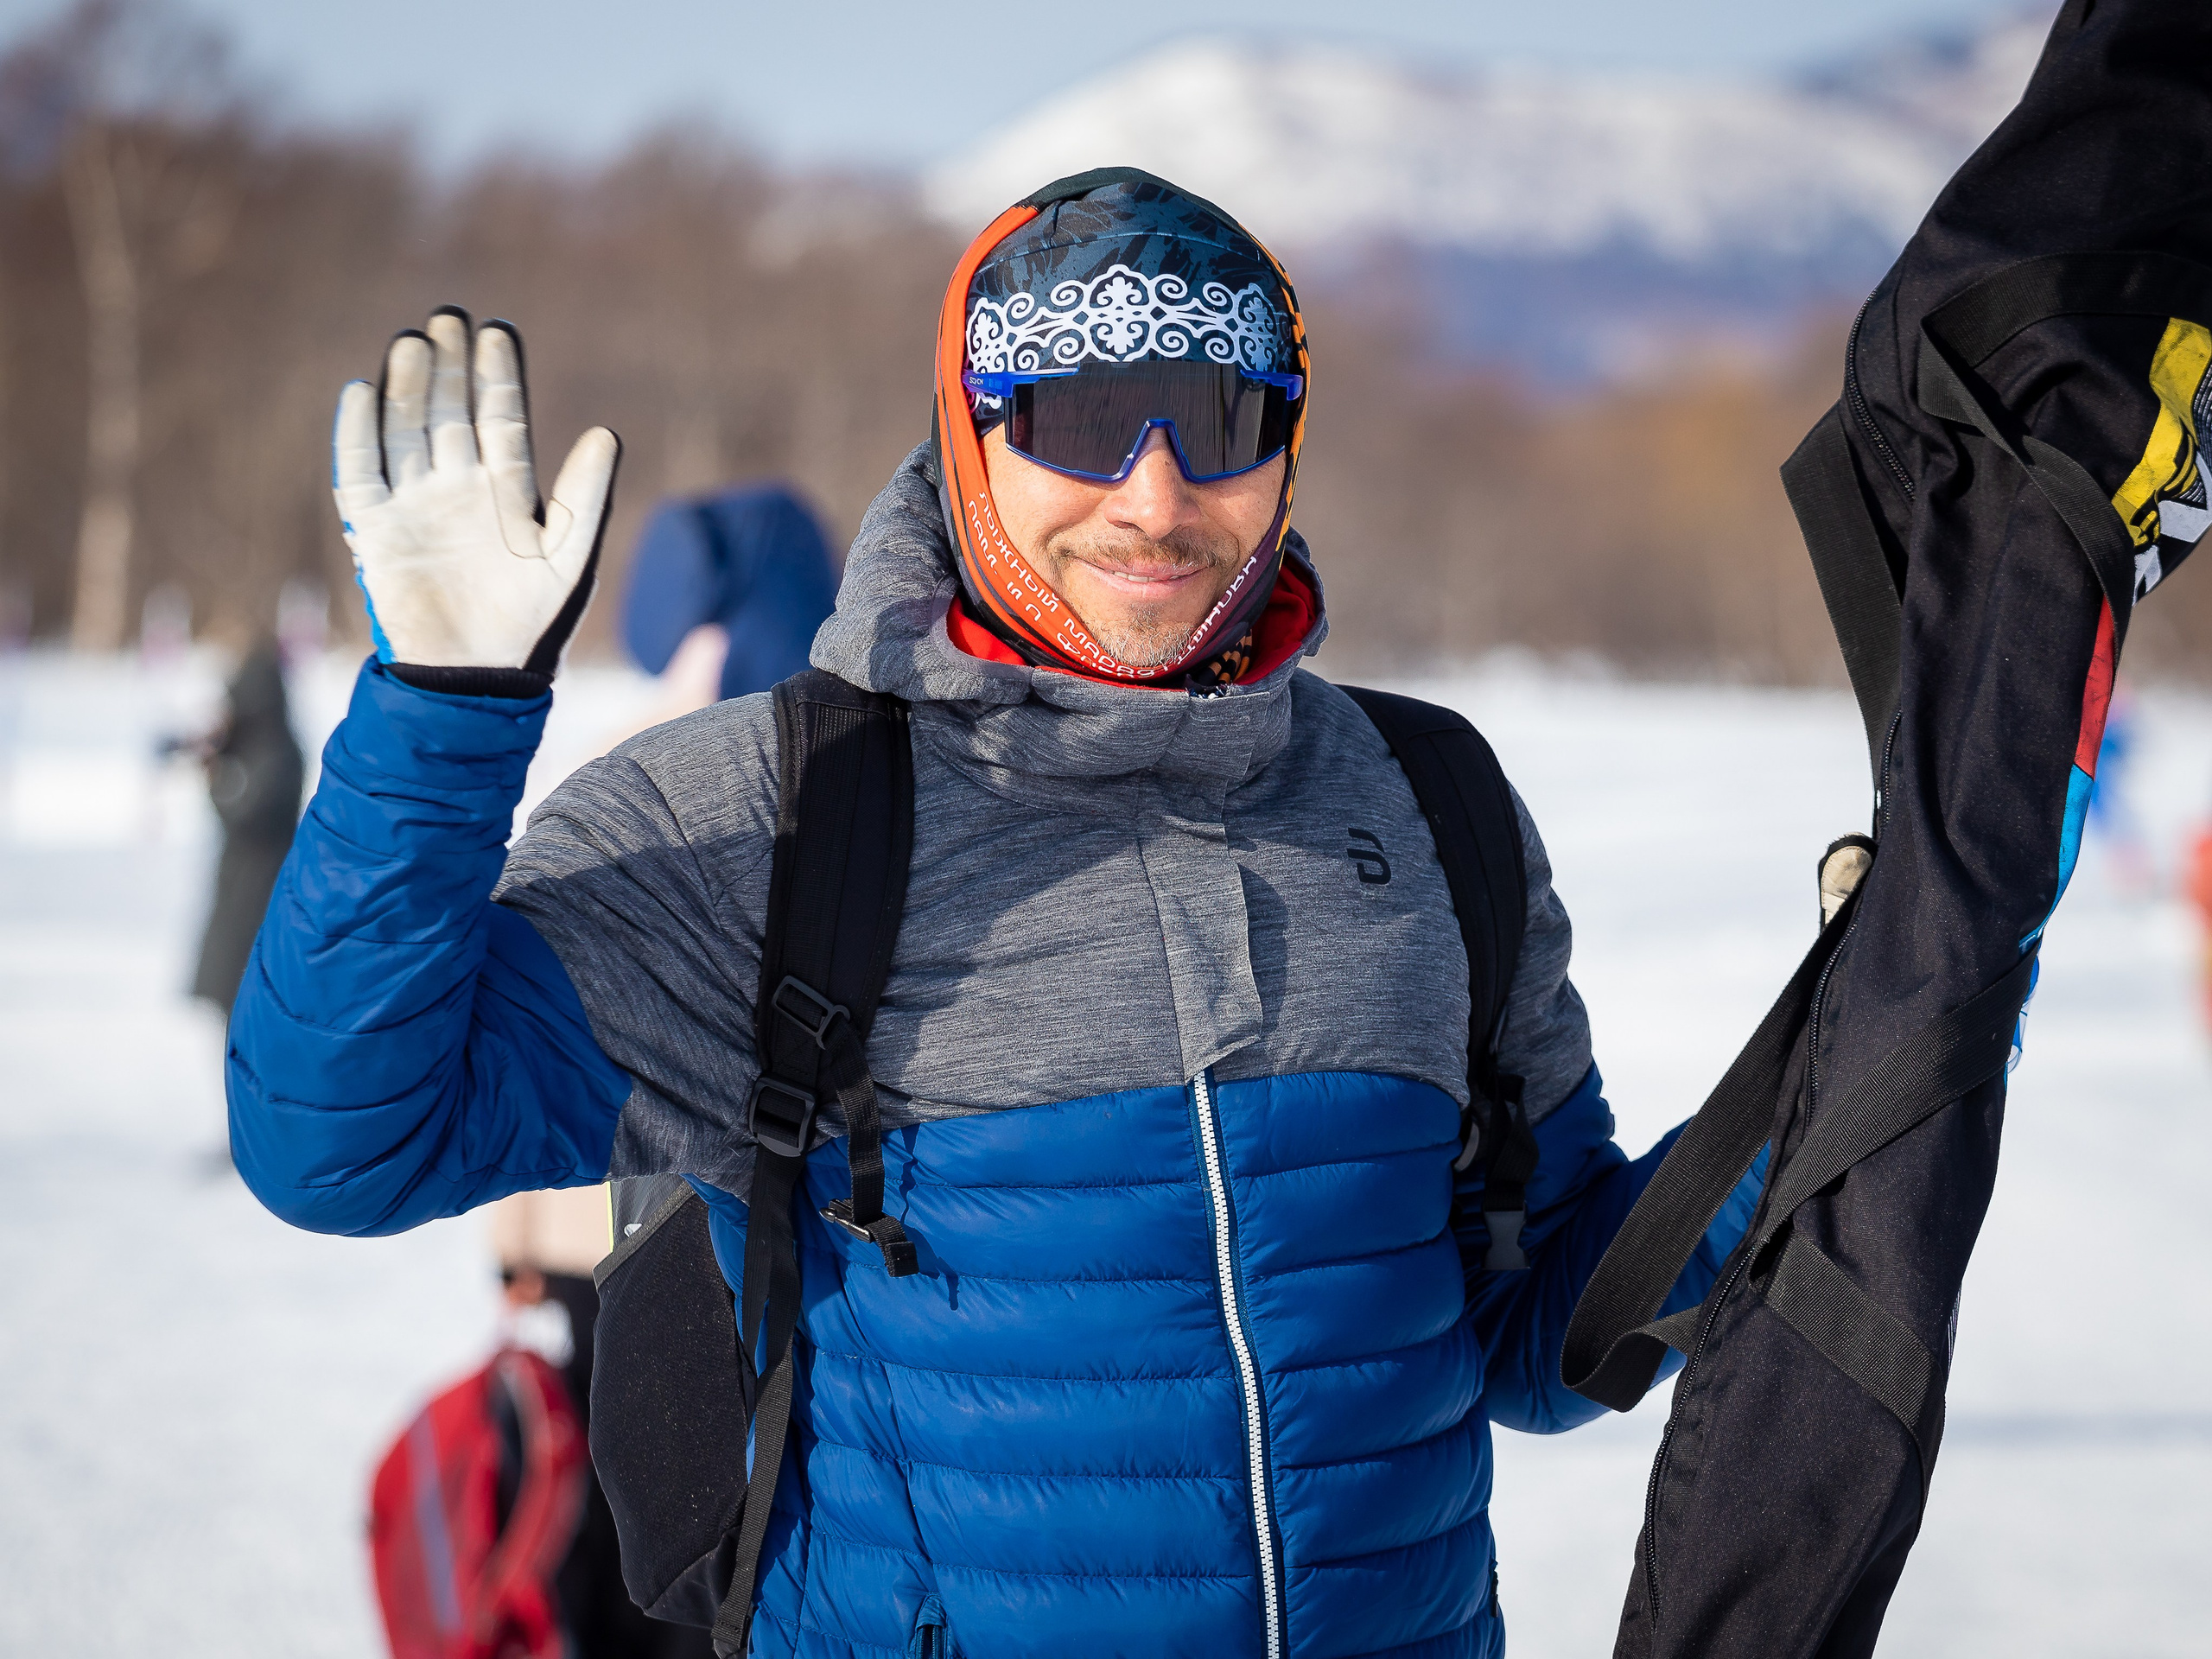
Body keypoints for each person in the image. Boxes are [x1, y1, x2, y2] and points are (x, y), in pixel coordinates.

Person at [230, 176, 1766, 1658]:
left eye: (1221, 423)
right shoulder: (764, 819)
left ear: (1286, 452)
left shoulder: (1431, 803)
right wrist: (439, 718)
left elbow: (1535, 1319)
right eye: (1084, 423)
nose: (1155, 496)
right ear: (973, 437)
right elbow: (343, 1144)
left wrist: (1838, 1071)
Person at [187, 639, 303, 1016]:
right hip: (244, 881)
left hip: (261, 887)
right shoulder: (264, 744)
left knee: (248, 995)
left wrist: (214, 780)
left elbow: (249, 818)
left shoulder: (280, 752)